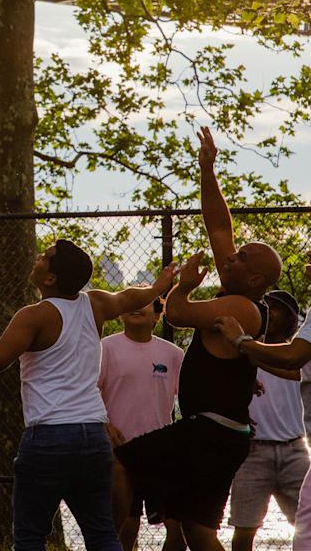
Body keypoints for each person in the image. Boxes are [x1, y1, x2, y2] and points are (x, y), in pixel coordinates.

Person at [0, 238, 177, 551]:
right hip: (94, 437)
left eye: (45, 257)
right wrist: (158, 287)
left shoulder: (35, 315)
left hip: (49, 437)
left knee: (29, 537)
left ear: (50, 278)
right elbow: (128, 297)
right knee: (102, 533)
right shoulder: (94, 304)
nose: (38, 258)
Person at [114, 127, 280, 551]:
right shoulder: (237, 288)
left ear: (256, 278)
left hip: (210, 433)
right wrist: (207, 170)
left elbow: (180, 313)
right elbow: (218, 224)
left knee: (117, 462)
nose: (231, 254)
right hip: (217, 434)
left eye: (241, 257)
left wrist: (183, 285)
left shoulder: (243, 309)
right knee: (197, 531)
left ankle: (110, 538)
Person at [216, 252, 311, 551]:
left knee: (305, 530)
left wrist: (242, 342)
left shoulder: (289, 349)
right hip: (253, 452)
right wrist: (246, 349)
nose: (307, 266)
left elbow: (293, 361)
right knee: (245, 532)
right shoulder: (249, 356)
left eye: (277, 308)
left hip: (295, 450)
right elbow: (295, 368)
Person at [99, 296, 185, 551]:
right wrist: (104, 426)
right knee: (127, 526)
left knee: (178, 526)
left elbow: (192, 397)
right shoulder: (104, 349)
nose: (136, 306)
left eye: (146, 303)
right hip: (120, 452)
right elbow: (88, 391)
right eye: (131, 302)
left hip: (162, 451)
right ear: (120, 314)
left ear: (157, 316)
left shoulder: (173, 354)